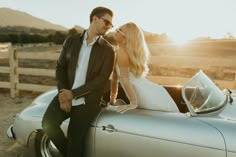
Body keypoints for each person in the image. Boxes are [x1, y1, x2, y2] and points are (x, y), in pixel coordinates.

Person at [42, 7, 115, 157]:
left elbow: (101, 80)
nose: (109, 27)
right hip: (66, 93)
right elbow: (60, 67)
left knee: (75, 140)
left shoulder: (108, 50)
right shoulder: (71, 40)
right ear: (94, 19)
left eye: (111, 25)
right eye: (106, 22)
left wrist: (73, 94)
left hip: (88, 101)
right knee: (47, 124)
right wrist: (63, 94)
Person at [108, 22, 179, 113]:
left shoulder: (122, 53)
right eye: (117, 29)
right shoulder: (119, 51)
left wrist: (133, 103)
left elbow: (125, 80)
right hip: (151, 92)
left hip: (147, 95)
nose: (116, 30)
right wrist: (112, 99)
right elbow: (114, 77)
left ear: (126, 37)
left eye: (119, 30)